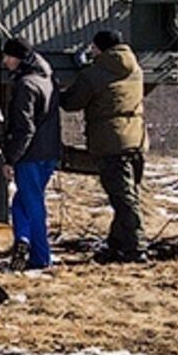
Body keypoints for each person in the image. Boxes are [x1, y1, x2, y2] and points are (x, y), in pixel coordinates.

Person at [62, 28, 148, 263]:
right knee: (128, 195)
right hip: (137, 139)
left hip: (111, 142)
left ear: (99, 48)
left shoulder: (95, 73)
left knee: (123, 200)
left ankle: (135, 247)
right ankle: (117, 245)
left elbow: (71, 103)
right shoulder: (135, 69)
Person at [0, 38, 61, 269]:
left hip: (31, 155)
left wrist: (10, 158)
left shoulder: (25, 85)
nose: (5, 61)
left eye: (8, 56)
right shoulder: (47, 80)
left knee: (32, 203)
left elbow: (24, 128)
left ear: (20, 58)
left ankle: (40, 257)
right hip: (49, 152)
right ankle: (23, 240)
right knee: (22, 201)